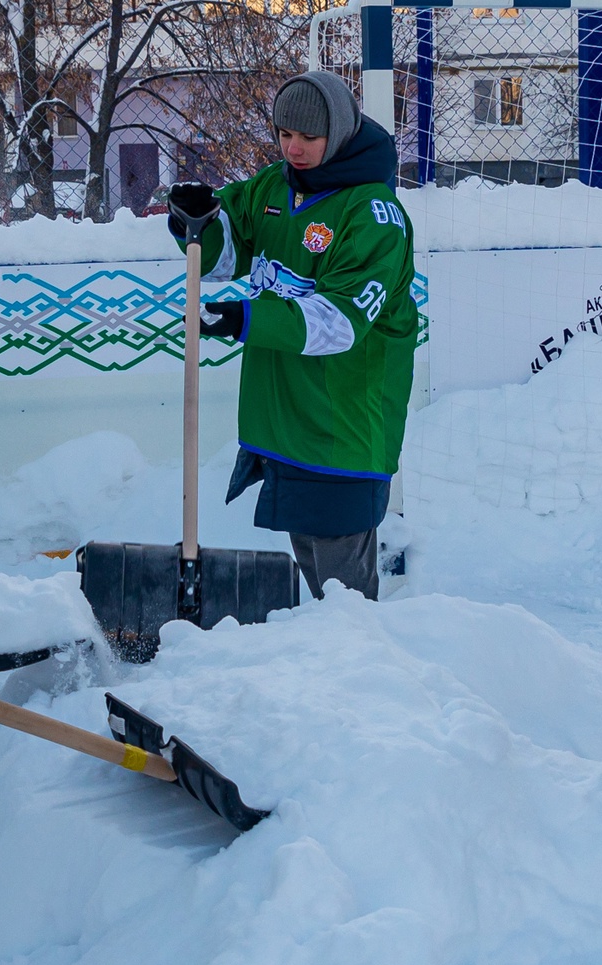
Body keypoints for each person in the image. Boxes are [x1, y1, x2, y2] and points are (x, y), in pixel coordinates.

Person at [165, 70, 419, 602]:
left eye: (308, 136)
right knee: (313, 568)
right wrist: (199, 221)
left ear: (341, 132)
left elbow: (341, 321)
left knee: (343, 593)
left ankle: (360, 678)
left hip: (342, 429)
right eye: (284, 134)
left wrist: (246, 319)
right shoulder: (275, 188)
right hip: (288, 423)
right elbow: (227, 245)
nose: (293, 148)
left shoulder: (374, 215)